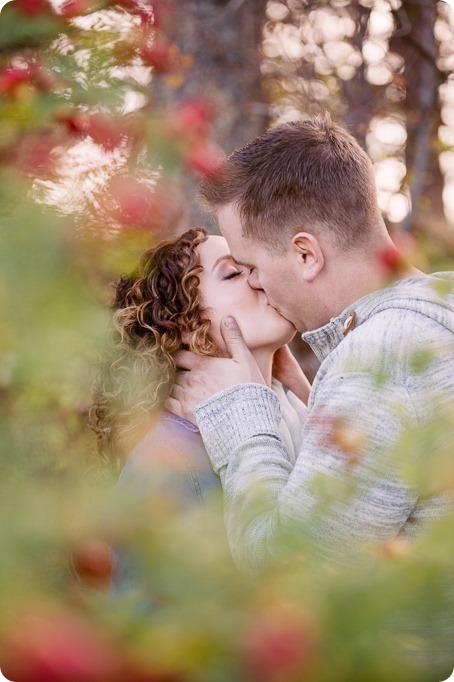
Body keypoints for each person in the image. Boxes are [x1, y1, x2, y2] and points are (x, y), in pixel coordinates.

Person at [166, 114, 454, 576]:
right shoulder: (432, 317)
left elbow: (288, 571)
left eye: (250, 266)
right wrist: (314, 401)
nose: (255, 285)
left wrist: (241, 415)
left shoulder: (379, 356)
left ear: (306, 254)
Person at [89, 227, 309, 594]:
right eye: (234, 272)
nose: (258, 277)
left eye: (252, 264)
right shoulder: (171, 460)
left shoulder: (293, 410)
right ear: (186, 324)